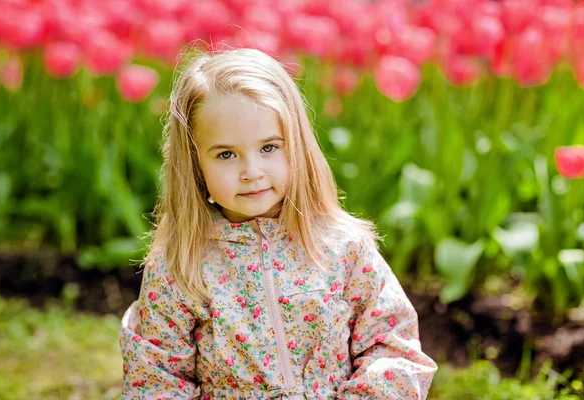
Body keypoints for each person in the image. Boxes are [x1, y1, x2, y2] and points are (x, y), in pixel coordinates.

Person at [119, 47, 437, 400]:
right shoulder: (180, 264)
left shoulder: (342, 247)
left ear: (296, 146)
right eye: (226, 154)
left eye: (269, 148)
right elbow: (157, 377)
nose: (251, 172)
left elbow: (392, 346)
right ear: (195, 163)